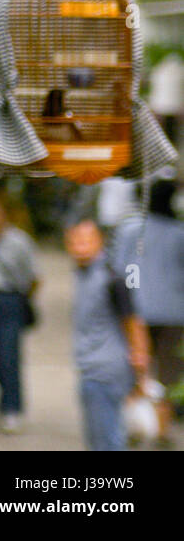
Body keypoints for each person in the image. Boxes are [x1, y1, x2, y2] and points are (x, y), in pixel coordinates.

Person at [66, 219, 150, 451]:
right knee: (98, 439)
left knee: (107, 441)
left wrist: (141, 369)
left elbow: (134, 324)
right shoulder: (82, 275)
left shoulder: (112, 279)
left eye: (86, 240)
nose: (80, 246)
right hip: (90, 368)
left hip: (105, 371)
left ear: (100, 242)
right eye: (75, 241)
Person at [114, 174, 184, 439]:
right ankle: (162, 430)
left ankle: (134, 427)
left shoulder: (131, 229)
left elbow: (118, 271)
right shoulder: (179, 233)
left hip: (137, 309)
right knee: (169, 371)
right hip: (174, 312)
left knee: (136, 366)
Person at [0, 190, 38, 434]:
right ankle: (2, 404)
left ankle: (13, 409)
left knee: (9, 355)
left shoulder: (19, 242)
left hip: (12, 299)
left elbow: (34, 276)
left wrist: (23, 300)